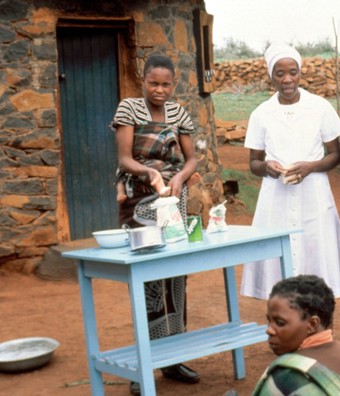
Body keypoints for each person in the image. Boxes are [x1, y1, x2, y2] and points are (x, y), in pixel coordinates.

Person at [110, 53, 199, 394]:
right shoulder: (128, 109)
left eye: (165, 84)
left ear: (173, 84)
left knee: (175, 276)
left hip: (173, 198)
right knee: (145, 280)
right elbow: (125, 158)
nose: (159, 90)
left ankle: (173, 358)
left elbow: (191, 159)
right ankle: (142, 363)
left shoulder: (179, 113)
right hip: (138, 199)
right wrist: (149, 172)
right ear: (142, 80)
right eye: (153, 83)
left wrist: (179, 178)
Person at [240, 43, 340, 299]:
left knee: (315, 249)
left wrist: (310, 167)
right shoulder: (261, 113)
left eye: (293, 72)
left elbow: (335, 156)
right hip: (275, 195)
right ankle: (284, 317)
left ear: (300, 73)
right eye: (280, 73)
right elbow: (254, 162)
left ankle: (319, 318)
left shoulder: (320, 107)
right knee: (277, 258)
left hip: (314, 194)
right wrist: (268, 167)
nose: (287, 79)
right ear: (271, 76)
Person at [252, 274, 340, 395]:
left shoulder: (282, 378)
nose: (269, 330)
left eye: (280, 323)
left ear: (312, 324)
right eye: (269, 321)